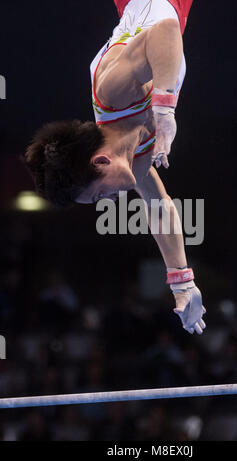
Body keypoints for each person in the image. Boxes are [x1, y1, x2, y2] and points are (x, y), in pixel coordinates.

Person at [24, 0, 206, 335]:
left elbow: (163, 31)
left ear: (101, 160)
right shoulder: (133, 162)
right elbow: (158, 206)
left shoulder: (112, 93)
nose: (111, 201)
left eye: (99, 196)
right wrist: (182, 282)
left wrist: (165, 110)